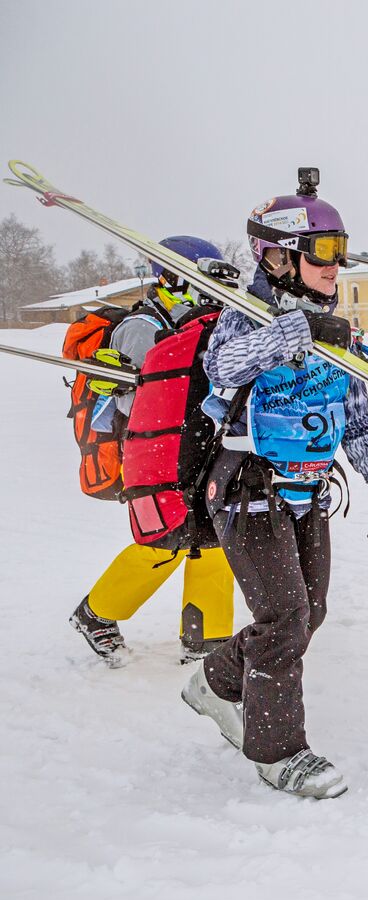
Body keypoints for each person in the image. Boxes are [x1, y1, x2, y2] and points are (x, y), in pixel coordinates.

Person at [180, 171, 368, 799]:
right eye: (324, 251)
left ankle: (214, 680)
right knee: (283, 618)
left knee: (310, 614)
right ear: (278, 254)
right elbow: (221, 368)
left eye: (342, 248)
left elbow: (355, 413)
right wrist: (292, 334)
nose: (337, 265)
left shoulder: (332, 326)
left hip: (307, 490)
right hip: (248, 486)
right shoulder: (241, 319)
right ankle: (280, 755)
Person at [69, 236, 236, 667]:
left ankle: (208, 637)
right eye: (197, 277)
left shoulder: (210, 322)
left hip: (200, 444)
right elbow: (132, 404)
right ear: (170, 275)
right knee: (162, 539)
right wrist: (125, 380)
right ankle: (96, 614)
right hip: (154, 452)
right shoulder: (141, 326)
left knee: (213, 537)